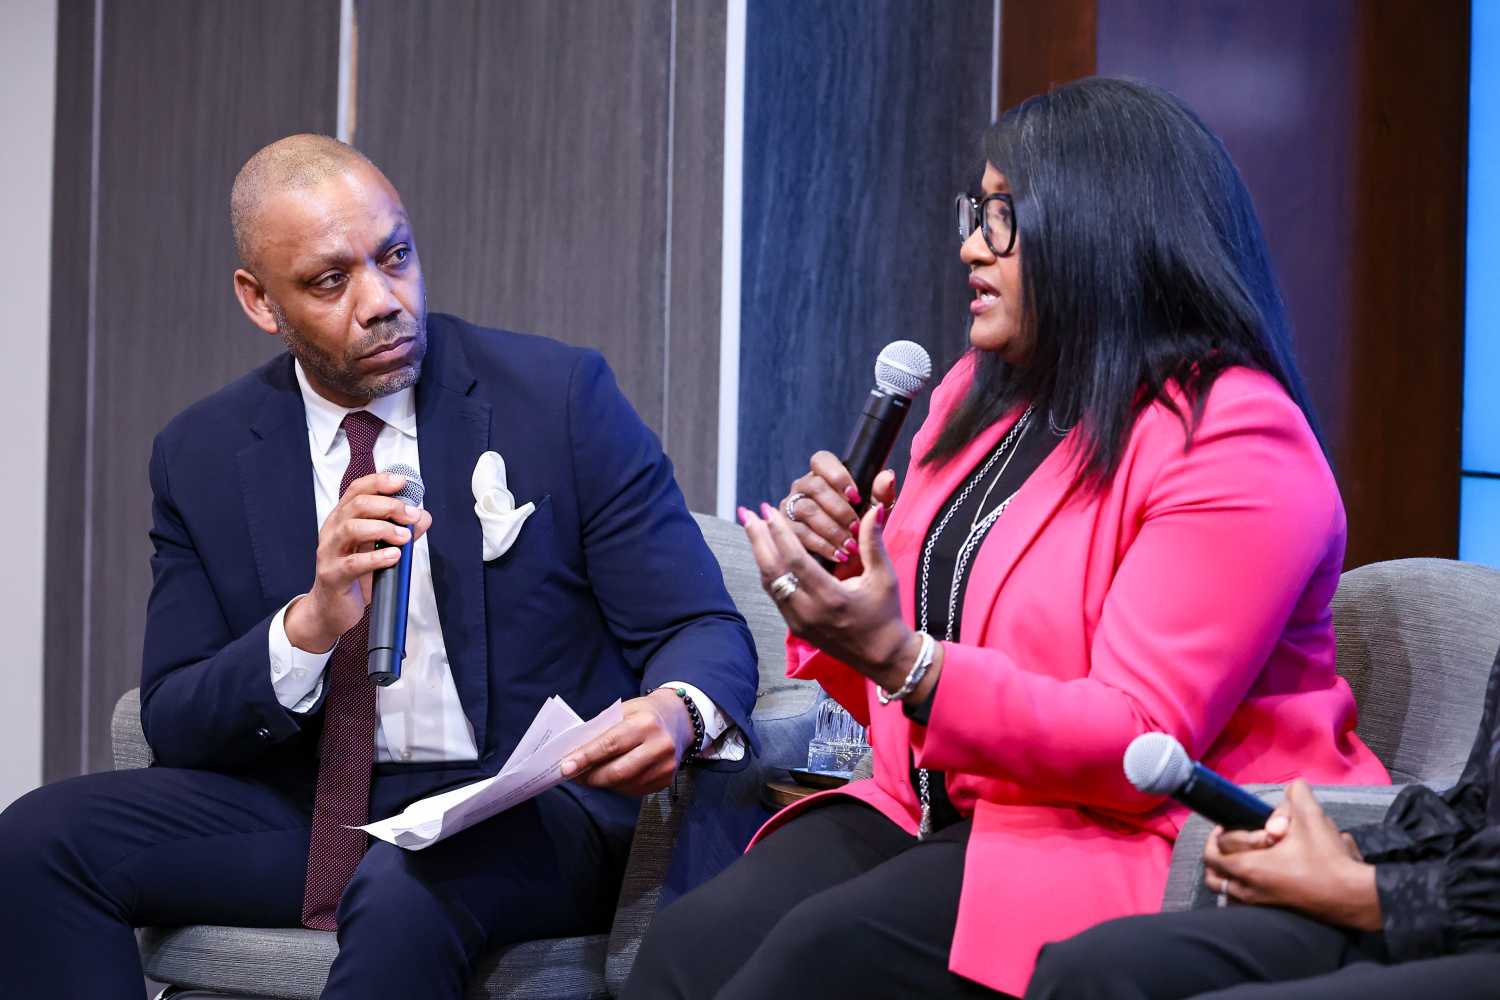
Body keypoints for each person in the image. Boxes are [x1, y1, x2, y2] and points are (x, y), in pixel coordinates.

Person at [621, 76, 1389, 1000]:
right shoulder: (979, 399)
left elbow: (1140, 740)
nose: (968, 247)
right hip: (947, 806)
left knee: (805, 969)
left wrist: (908, 661)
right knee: (683, 954)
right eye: (974, 213)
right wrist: (841, 574)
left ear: (1103, 226)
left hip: (1130, 834)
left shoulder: (1232, 436)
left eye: (1002, 218)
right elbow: (917, 646)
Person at [0, 134, 761, 998]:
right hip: (315, 807)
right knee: (37, 844)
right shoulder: (200, 453)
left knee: (403, 887)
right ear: (260, 301)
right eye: (331, 282)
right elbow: (173, 715)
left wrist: (674, 711)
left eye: (395, 256)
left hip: (520, 811)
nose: (382, 301)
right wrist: (308, 627)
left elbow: (698, 625)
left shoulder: (557, 398)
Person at [1024, 644, 1500, 999]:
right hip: (1451, 905)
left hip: (1463, 924)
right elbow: (1475, 809)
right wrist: (1341, 853)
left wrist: (1367, 893)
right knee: (1089, 971)